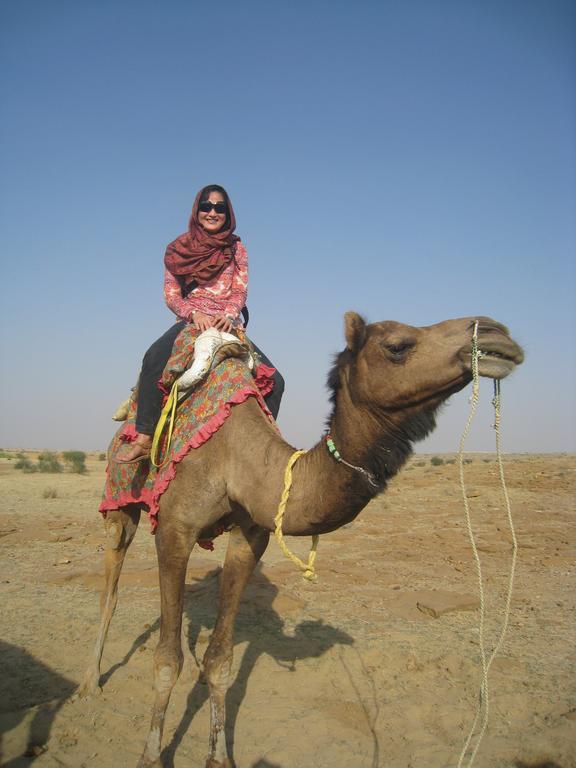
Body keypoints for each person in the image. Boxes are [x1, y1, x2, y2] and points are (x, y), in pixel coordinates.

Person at [116, 184, 284, 463]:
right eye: (206, 206)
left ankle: (257, 451)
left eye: (219, 207)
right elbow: (171, 294)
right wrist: (194, 314)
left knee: (276, 382)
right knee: (153, 358)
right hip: (192, 319)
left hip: (227, 322)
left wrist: (229, 314)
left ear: (227, 213)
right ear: (197, 210)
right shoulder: (177, 250)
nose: (212, 212)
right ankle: (144, 437)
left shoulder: (236, 248)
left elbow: (240, 290)